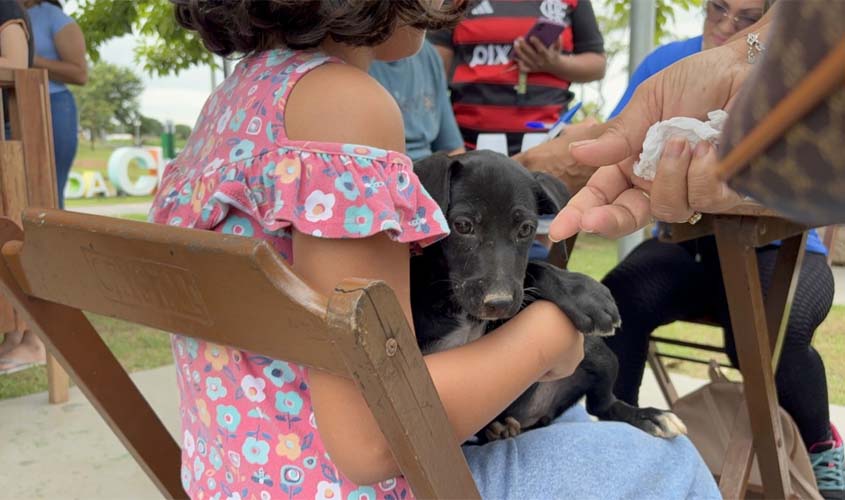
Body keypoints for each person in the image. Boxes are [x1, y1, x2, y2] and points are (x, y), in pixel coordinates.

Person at [154, 1, 719, 498]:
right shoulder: (342, 105)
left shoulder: (231, 103)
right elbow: (375, 440)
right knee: (672, 465)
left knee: (581, 430)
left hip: (234, 475)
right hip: (349, 484)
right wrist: (553, 333)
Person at [593, 1, 840, 496]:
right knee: (616, 297)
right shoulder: (667, 62)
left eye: (746, 19)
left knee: (771, 329)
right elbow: (615, 142)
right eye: (717, 10)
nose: (725, 26)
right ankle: (616, 437)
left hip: (787, 246)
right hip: (689, 249)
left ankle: (820, 446)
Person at [0, 0, 86, 375]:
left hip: (48, 109)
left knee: (42, 214)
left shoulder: (54, 19)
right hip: (11, 109)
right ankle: (17, 335)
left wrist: (31, 61)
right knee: (13, 218)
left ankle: (39, 337)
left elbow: (79, 72)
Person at [429, 0, 606, 157]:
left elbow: (597, 64)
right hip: (469, 149)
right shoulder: (453, 3)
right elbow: (432, 74)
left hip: (547, 151)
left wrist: (555, 64)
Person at [369, 39, 465, 161]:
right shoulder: (355, 60)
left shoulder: (427, 53)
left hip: (430, 169)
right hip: (382, 167)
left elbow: (453, 149)